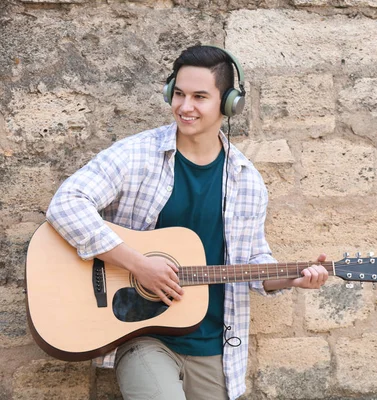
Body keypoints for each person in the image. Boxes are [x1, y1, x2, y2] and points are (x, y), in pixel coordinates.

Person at [45, 44, 329, 400]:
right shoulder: (136, 155)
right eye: (178, 93)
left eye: (199, 96)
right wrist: (138, 265)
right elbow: (67, 203)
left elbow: (254, 261)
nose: (184, 106)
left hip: (213, 344)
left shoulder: (246, 181)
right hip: (142, 336)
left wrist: (293, 277)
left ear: (229, 104)